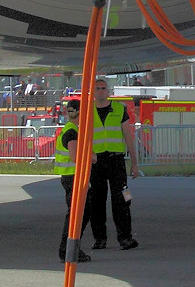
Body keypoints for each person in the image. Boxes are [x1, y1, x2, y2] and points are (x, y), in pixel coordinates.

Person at [88, 77, 139, 250]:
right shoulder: (87, 111)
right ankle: (100, 238)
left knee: (123, 199)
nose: (101, 91)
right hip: (96, 162)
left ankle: (125, 238)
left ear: (108, 91)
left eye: (103, 88)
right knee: (96, 201)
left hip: (116, 160)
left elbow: (128, 137)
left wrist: (134, 163)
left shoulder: (119, 108)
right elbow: (84, 138)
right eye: (97, 88)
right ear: (93, 92)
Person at [54, 99, 92, 263]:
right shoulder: (72, 133)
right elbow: (75, 156)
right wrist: (92, 156)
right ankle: (68, 250)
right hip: (73, 178)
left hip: (72, 177)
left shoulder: (70, 129)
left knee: (81, 214)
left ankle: (70, 248)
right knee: (76, 216)